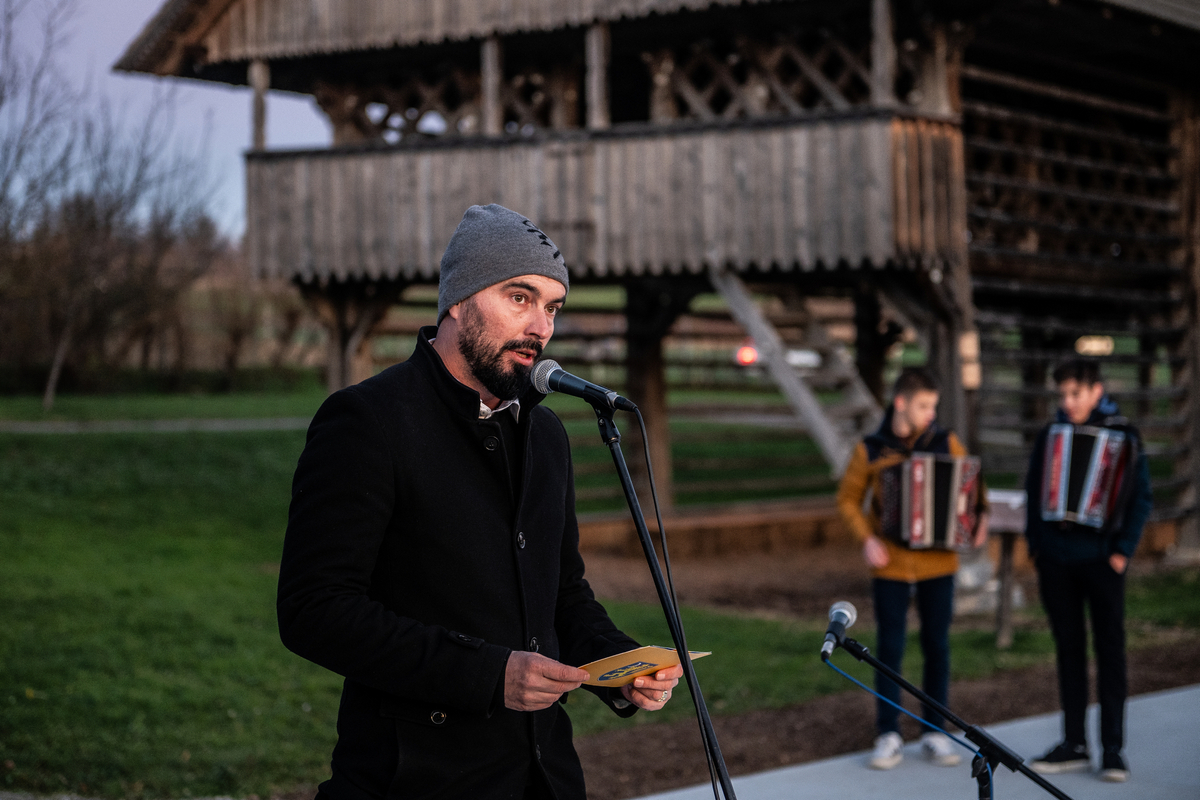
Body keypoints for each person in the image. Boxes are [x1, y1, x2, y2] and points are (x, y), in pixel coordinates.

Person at [277, 203, 682, 800]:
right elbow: (314, 610)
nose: (541, 327)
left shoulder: (546, 436)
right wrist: (489, 673)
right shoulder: (369, 420)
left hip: (546, 778)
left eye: (552, 307)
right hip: (415, 779)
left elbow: (563, 594)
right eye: (520, 298)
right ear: (458, 301)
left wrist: (621, 664)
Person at [836, 367, 989, 770]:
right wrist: (867, 539)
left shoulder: (946, 442)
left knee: (937, 645)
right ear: (900, 403)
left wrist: (981, 517)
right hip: (891, 565)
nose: (930, 414)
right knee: (889, 649)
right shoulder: (871, 449)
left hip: (940, 563)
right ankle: (888, 733)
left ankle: (934, 732)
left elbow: (973, 485)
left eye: (933, 406)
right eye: (923, 406)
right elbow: (848, 499)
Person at [1025, 359, 1152, 783]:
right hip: (1056, 561)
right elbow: (1033, 490)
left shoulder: (1124, 435)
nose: (1068, 402)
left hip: (1102, 561)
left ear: (1096, 390)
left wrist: (1122, 552)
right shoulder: (1050, 435)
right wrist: (1038, 547)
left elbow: (1141, 498)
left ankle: (1113, 749)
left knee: (1110, 651)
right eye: (1062, 394)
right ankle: (1074, 743)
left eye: (1075, 393)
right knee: (1069, 651)